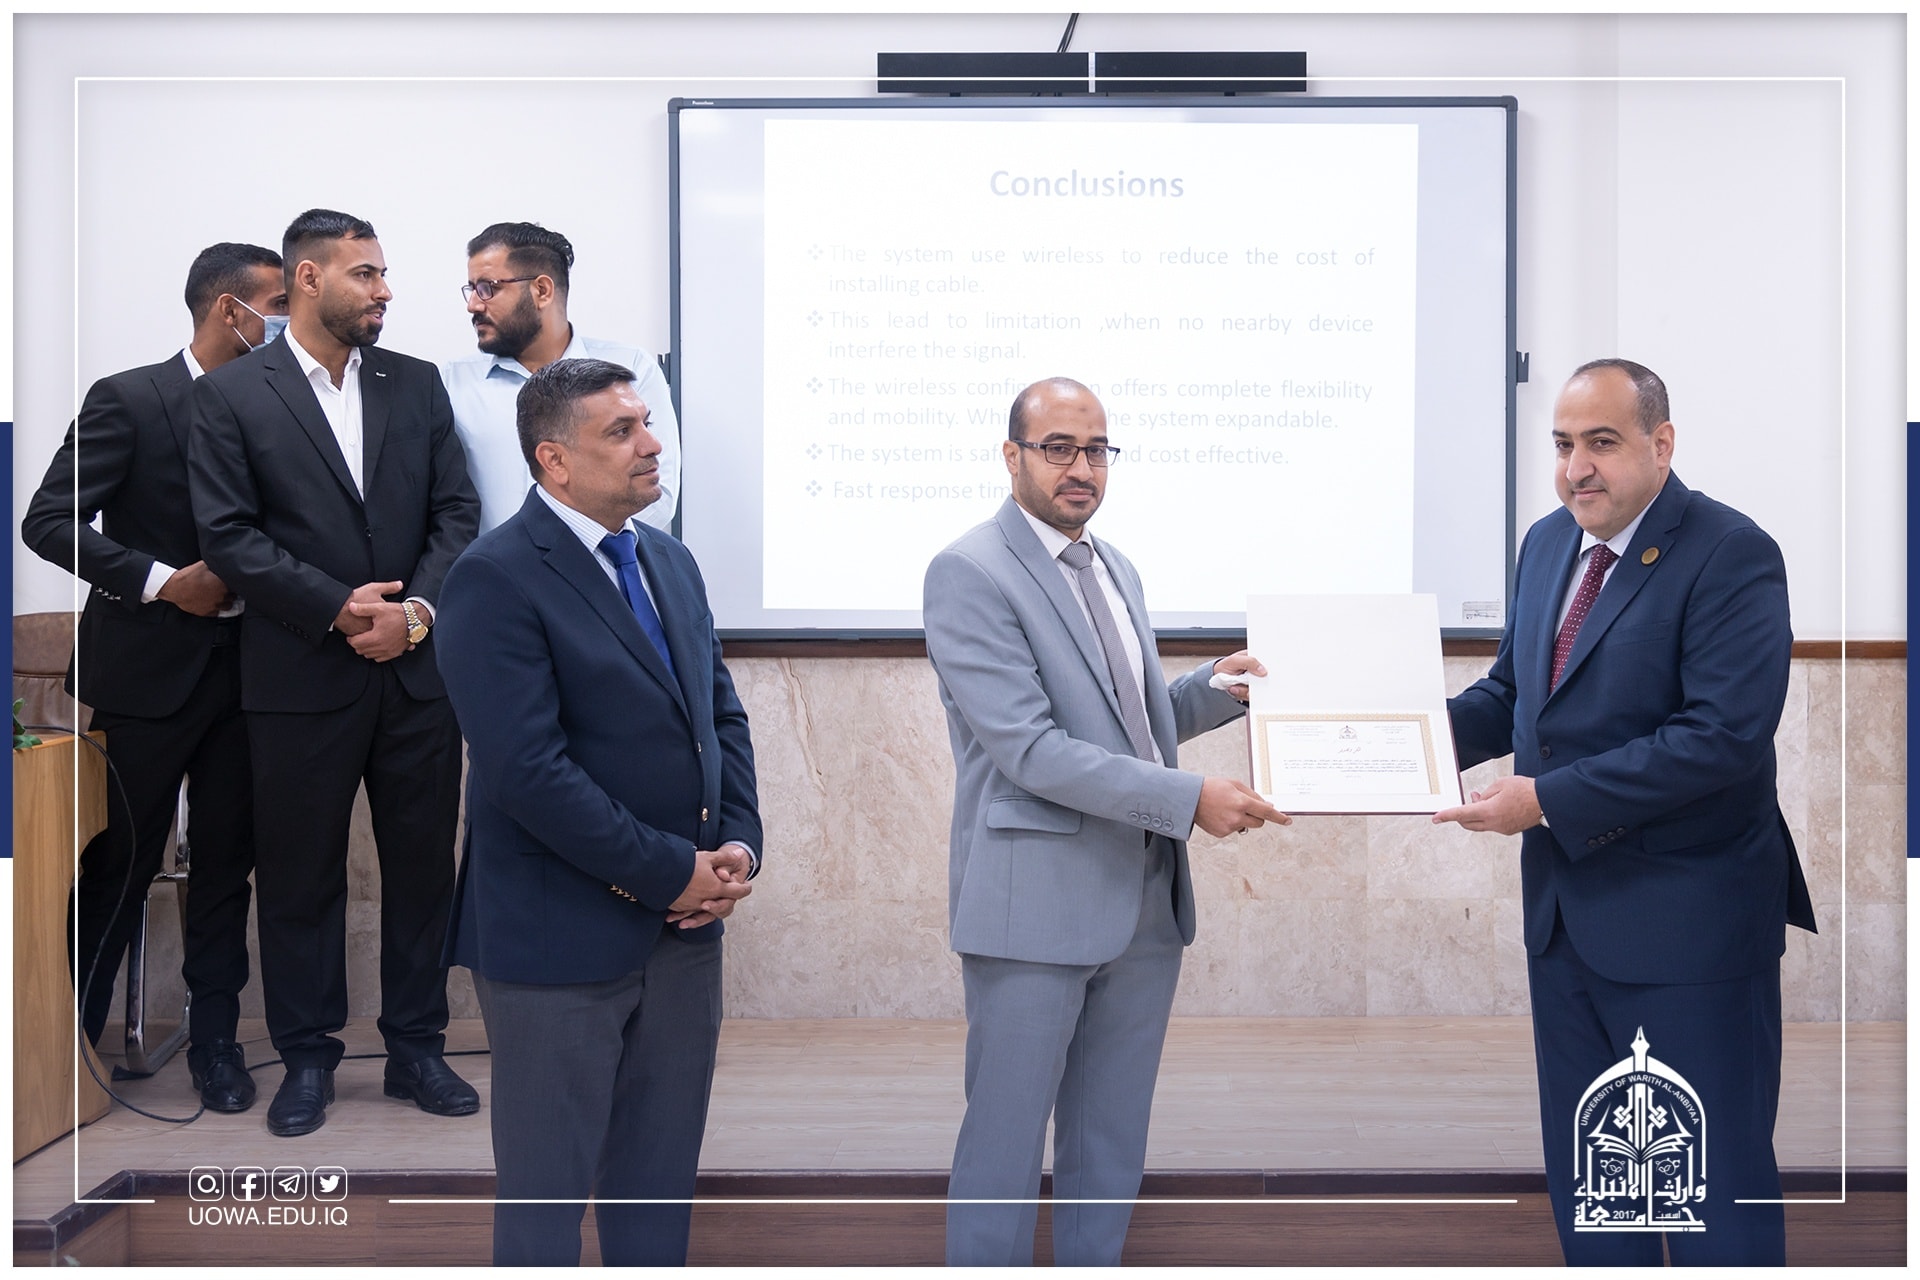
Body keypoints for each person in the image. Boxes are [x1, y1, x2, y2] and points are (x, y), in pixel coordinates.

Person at [1437, 358, 1816, 1265]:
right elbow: (1510, 697)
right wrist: (1379, 744)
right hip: (1565, 925)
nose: (1577, 468)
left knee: (1713, 1194)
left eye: (1601, 443)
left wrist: (1544, 800)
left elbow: (1720, 738)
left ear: (1661, 443)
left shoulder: (1731, 552)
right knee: (1598, 1198)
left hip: (1690, 930)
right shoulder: (1546, 544)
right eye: (1563, 444)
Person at [924, 377, 1287, 1266]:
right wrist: (1188, 800)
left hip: (1143, 907)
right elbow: (1032, 750)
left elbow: (1124, 724)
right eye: (1058, 448)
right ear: (1012, 455)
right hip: (1035, 911)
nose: (1080, 468)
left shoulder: (1114, 566)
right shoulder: (970, 571)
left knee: (1110, 1147)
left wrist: (1211, 692)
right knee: (1004, 1149)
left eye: (1096, 449)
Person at [435, 357, 759, 1265]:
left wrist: (737, 846)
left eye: (647, 422)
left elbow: (720, 717)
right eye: (621, 431)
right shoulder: (494, 576)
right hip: (557, 941)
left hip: (684, 937)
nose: (652, 444)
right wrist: (669, 871)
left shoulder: (670, 560)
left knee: (656, 1193)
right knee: (544, 1209)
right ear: (555, 460)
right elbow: (527, 772)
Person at [187, 208, 482, 1137]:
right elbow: (228, 536)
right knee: (300, 878)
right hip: (298, 676)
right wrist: (338, 608)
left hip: (417, 675)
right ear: (307, 278)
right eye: (366, 273)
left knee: (422, 872)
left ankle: (416, 1050)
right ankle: (307, 1060)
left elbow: (457, 513)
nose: (385, 290)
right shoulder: (232, 394)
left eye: (383, 273)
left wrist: (415, 614)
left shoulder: (416, 383)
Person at [21, 242, 285, 1111]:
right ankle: (66, 1046)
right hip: (145, 676)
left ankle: (217, 1047)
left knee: (226, 868)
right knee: (118, 864)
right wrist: (163, 581)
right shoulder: (130, 398)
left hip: (253, 676)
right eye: (277, 305)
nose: (288, 323)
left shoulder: (283, 406)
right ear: (229, 311)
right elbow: (48, 521)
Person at [440, 221, 682, 533]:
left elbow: (657, 495)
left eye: (488, 288)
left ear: (542, 290)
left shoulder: (631, 369)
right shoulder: (451, 383)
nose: (473, 304)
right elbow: (440, 505)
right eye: (471, 289)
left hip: (601, 563)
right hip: (487, 564)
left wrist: (577, 552)